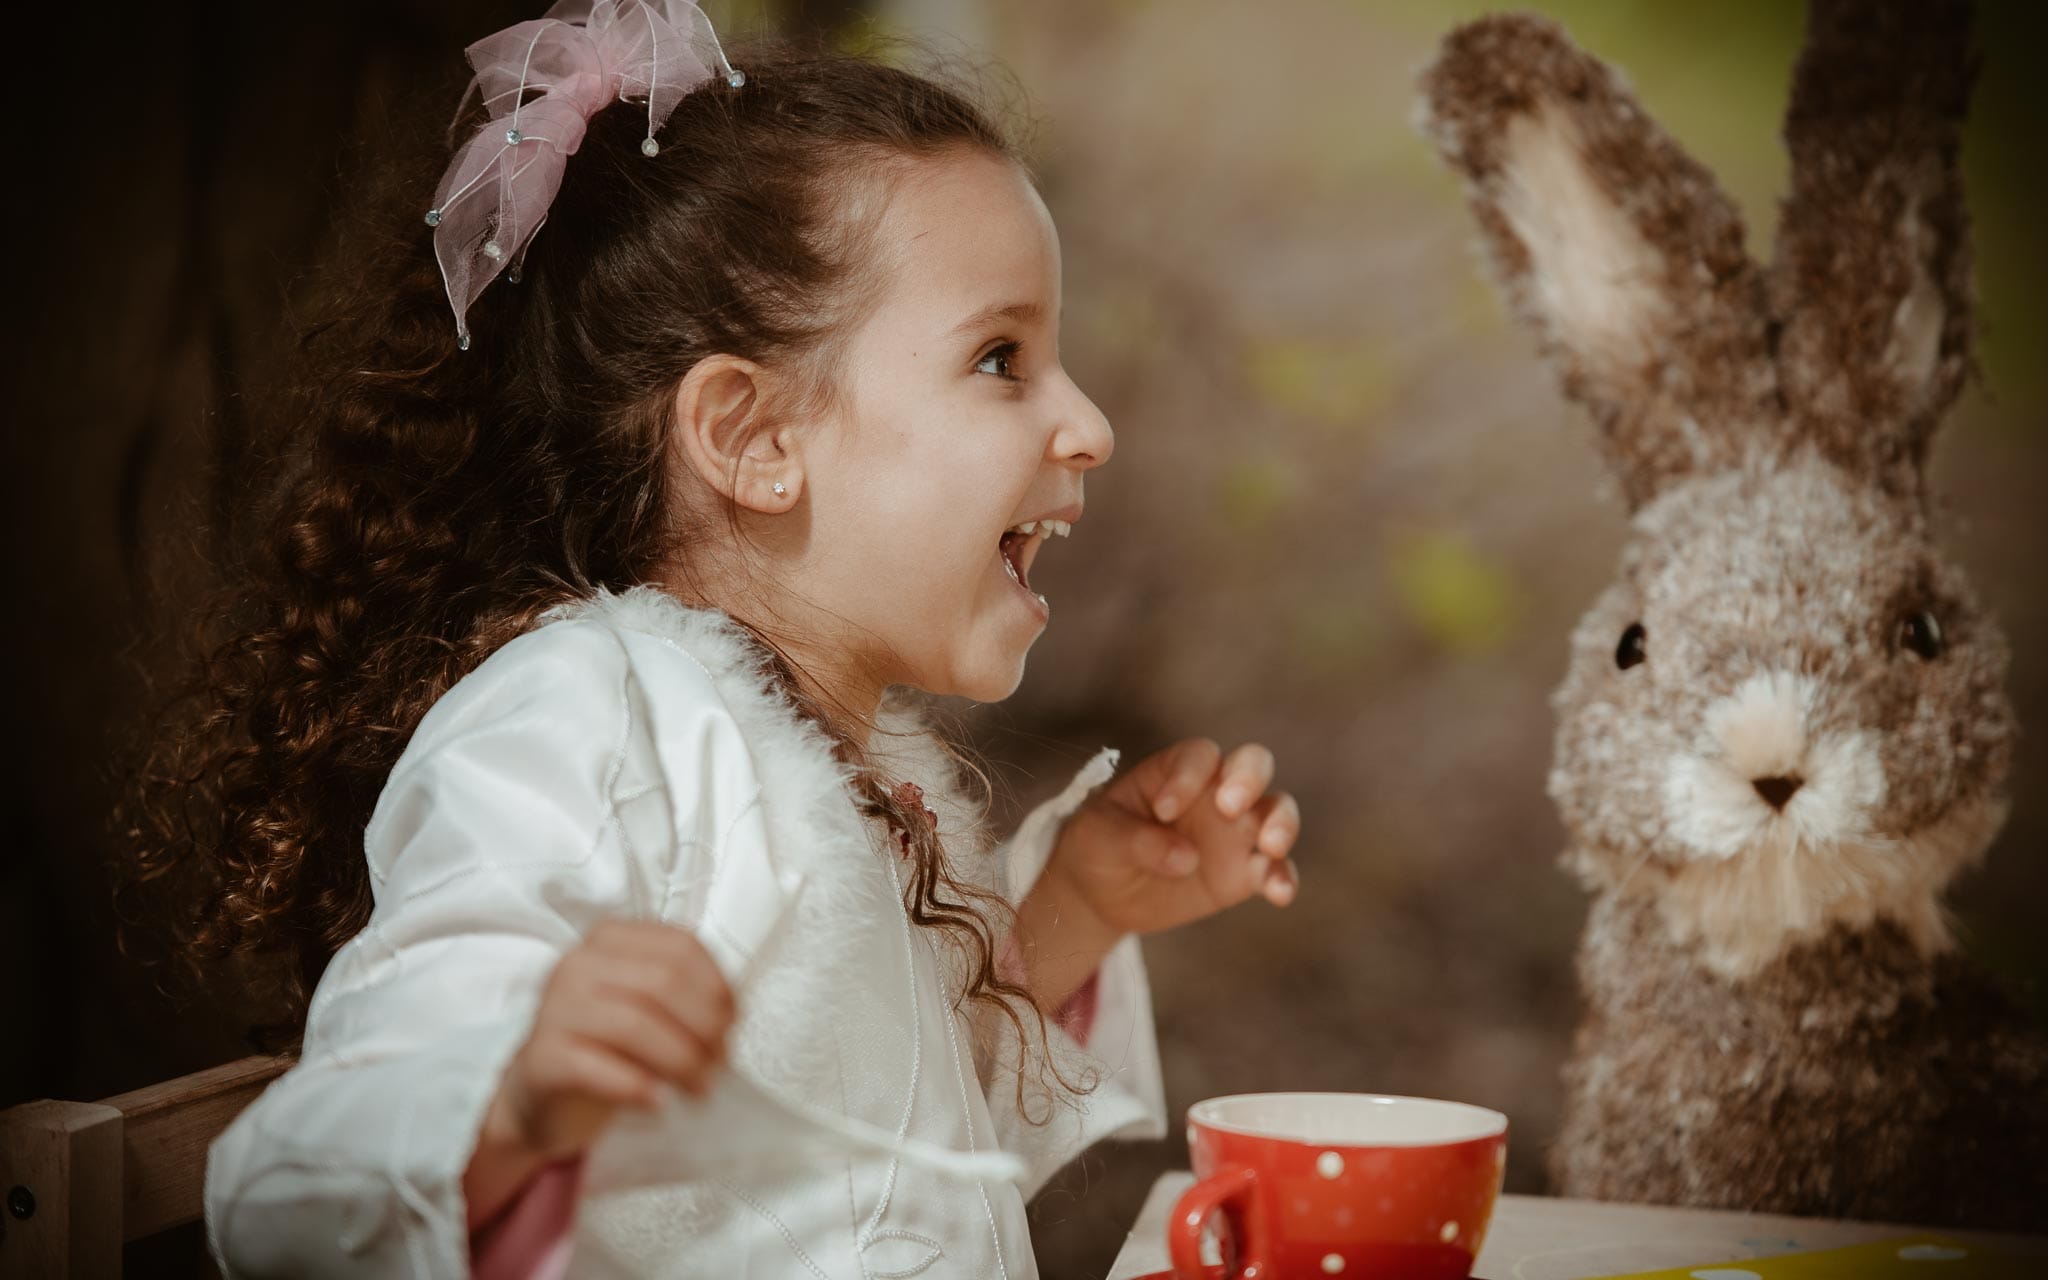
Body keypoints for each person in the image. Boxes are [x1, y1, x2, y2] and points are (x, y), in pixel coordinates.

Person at [137, 3, 1301, 1274]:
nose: (1088, 424)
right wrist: (511, 1100)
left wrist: (1076, 899)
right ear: (751, 439)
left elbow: (889, 1173)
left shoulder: (862, 763)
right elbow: (304, 1193)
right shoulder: (584, 725)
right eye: (1000, 358)